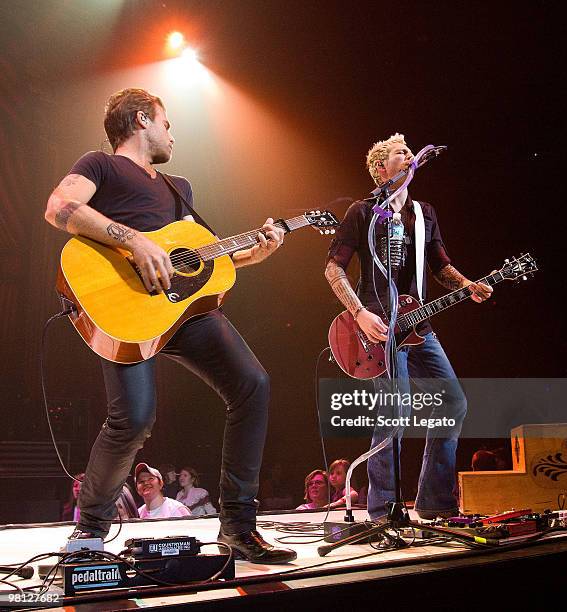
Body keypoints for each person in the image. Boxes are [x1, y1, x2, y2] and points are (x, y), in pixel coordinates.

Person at [44, 88, 296, 564]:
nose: (172, 134)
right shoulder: (99, 164)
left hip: (182, 312)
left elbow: (196, 263)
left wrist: (252, 254)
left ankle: (239, 527)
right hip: (125, 309)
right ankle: (88, 536)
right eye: (168, 123)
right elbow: (60, 208)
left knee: (254, 385)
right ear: (143, 120)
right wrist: (134, 242)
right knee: (133, 419)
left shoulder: (179, 186)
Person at [325, 133, 492, 521]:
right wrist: (358, 313)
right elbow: (333, 267)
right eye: (402, 152)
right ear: (381, 168)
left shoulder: (424, 213)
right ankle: (384, 508)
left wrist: (467, 284)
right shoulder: (361, 212)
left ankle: (436, 501)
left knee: (453, 403)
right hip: (377, 326)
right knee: (394, 411)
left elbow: (440, 265)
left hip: (419, 324)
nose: (411, 155)